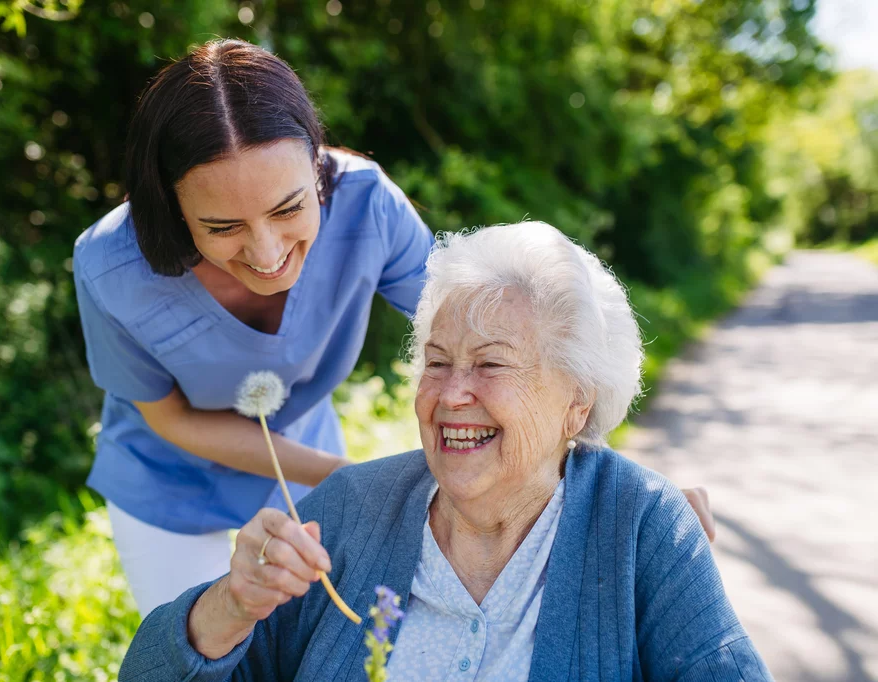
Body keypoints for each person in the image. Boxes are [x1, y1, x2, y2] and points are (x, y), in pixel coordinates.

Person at [73, 38, 716, 618]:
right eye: (222, 228)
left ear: (317, 165)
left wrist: (633, 492)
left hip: (304, 452)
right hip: (167, 484)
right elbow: (173, 420)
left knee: (322, 649)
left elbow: (518, 346)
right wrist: (354, 481)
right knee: (205, 650)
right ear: (170, 205)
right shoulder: (109, 266)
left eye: (289, 209)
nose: (267, 253)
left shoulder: (368, 204)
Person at [118, 222, 771, 681]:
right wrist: (232, 605)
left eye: (490, 364)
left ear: (578, 401)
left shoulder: (644, 529)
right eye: (436, 362)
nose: (452, 394)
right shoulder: (345, 514)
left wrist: (649, 519)